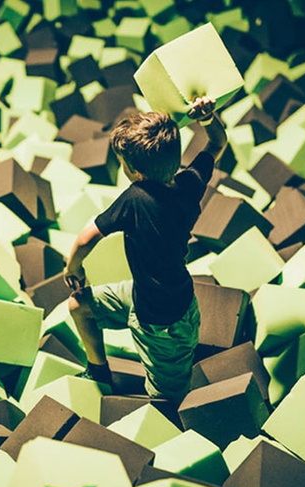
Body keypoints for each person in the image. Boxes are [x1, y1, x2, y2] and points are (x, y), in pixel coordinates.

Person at [64, 96, 227, 404]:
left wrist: (73, 268)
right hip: (148, 298)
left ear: (135, 172)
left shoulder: (136, 197)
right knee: (79, 306)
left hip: (165, 325)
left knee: (167, 400)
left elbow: (86, 238)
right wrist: (207, 116)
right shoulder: (189, 183)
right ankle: (99, 371)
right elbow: (217, 142)